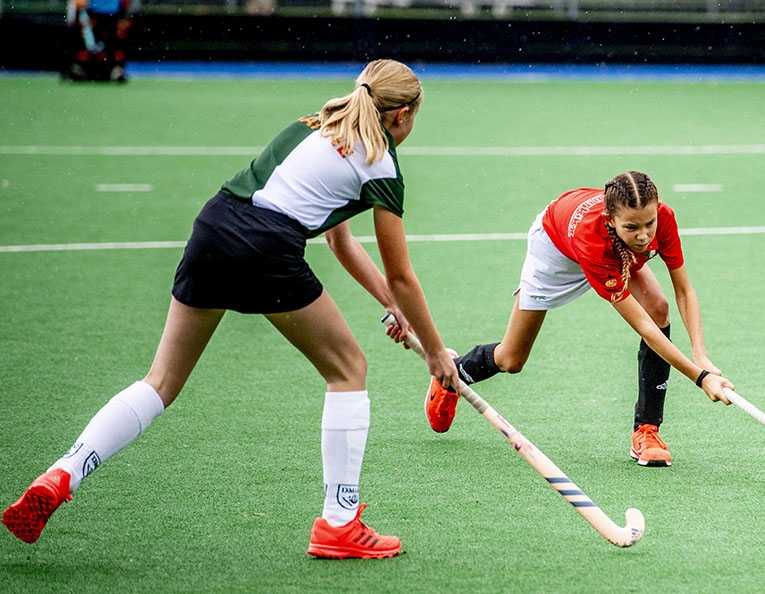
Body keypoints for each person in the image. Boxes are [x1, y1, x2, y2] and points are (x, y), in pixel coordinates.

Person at [2, 59, 461, 558]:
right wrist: (435, 352)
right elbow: (401, 274)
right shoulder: (383, 165)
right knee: (349, 370)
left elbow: (340, 241)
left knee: (159, 383)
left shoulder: (316, 124)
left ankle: (64, 471)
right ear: (402, 115)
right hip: (267, 249)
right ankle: (339, 524)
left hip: (215, 226)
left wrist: (394, 309)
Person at [413, 171, 734, 467]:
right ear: (611, 219)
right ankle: (453, 372)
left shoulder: (661, 219)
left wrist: (700, 354)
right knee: (511, 359)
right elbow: (645, 329)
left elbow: (684, 291)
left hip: (612, 249)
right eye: (632, 227)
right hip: (556, 248)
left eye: (648, 224)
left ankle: (646, 431)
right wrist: (699, 376)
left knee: (659, 306)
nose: (644, 236)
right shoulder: (593, 240)